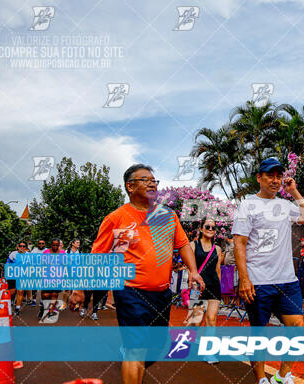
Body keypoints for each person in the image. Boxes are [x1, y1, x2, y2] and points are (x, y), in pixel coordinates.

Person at [69, 163, 204, 384]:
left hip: (161, 294)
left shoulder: (168, 215)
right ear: (130, 186)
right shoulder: (116, 218)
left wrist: (193, 271)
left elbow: (183, 244)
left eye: (154, 180)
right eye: (145, 179)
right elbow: (98, 256)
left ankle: (132, 354)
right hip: (131, 292)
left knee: (155, 348)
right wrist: (79, 289)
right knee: (137, 349)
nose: (152, 183)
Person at [232, 157, 304, 384]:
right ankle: (261, 379)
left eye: (279, 176)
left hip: (287, 280)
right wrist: (244, 279)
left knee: (297, 326)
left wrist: (295, 192)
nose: (276, 180)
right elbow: (239, 243)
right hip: (258, 281)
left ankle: (282, 374)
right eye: (270, 175)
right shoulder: (248, 205)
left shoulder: (285, 205)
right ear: (259, 177)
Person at [188, 218, 224, 358]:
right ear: (202, 229)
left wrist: (219, 288)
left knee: (211, 318)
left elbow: (217, 270)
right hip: (198, 287)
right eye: (207, 226)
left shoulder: (218, 249)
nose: (210, 229)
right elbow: (190, 267)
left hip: (214, 286)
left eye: (213, 228)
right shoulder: (193, 245)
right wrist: (192, 282)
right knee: (195, 321)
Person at [39, 239, 65, 319]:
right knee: (45, 295)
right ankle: (43, 308)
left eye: (57, 245)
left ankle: (50, 312)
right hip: (46, 277)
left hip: (57, 277)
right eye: (54, 245)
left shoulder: (62, 253)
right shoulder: (46, 252)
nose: (55, 246)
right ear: (51, 245)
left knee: (54, 294)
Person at [8, 241, 32, 315]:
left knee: (20, 291)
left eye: (23, 246)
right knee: (12, 292)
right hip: (13, 275)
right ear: (17, 247)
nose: (22, 247)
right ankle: (11, 302)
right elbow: (8, 263)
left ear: (26, 247)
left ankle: (17, 308)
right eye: (20, 246)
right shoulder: (13, 254)